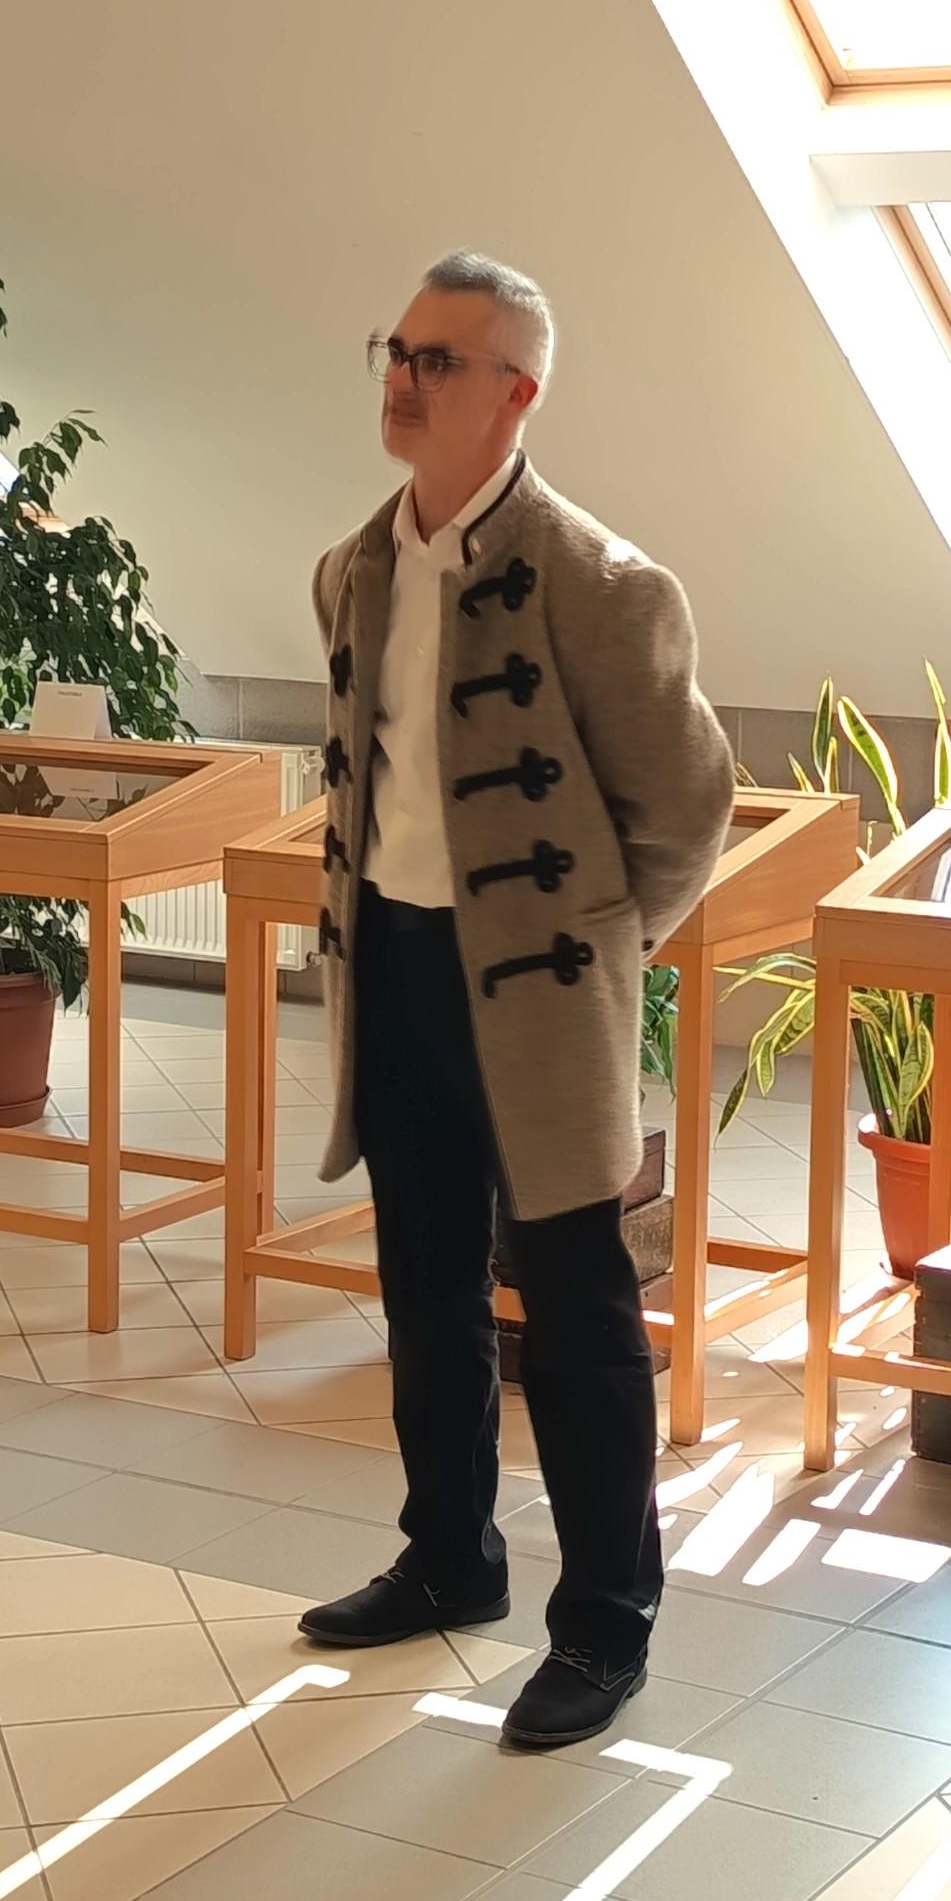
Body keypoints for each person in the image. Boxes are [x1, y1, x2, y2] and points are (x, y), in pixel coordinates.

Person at [300, 250, 735, 1749]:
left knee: (578, 1309)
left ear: (518, 392)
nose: (404, 378)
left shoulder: (604, 586)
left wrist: (591, 954)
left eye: (441, 358)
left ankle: (605, 1626)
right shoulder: (352, 566)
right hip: (395, 965)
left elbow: (686, 806)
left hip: (541, 994)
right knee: (424, 1284)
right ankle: (449, 1558)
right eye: (398, 348)